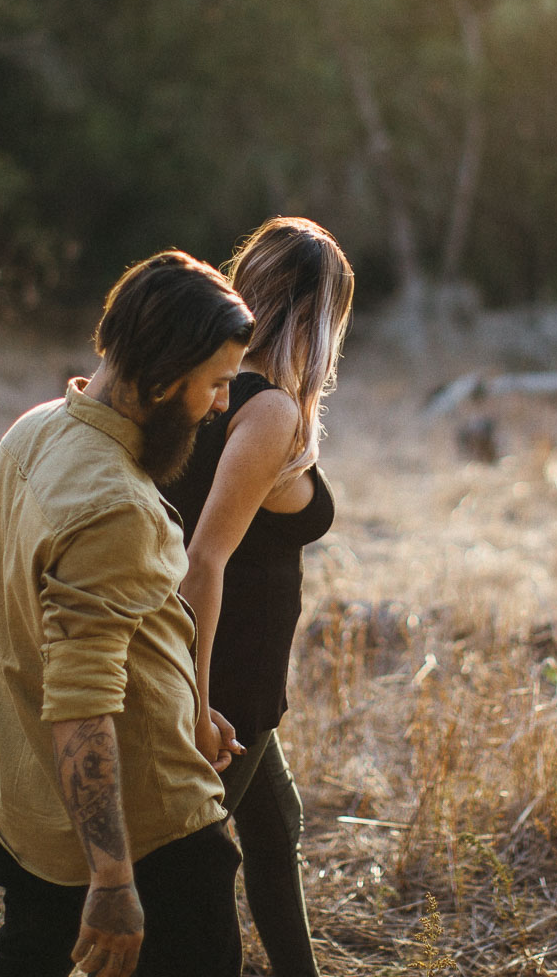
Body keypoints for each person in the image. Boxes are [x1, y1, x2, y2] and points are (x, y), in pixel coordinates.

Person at [0, 250, 253, 977]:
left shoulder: (32, 433)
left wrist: (188, 705)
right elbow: (82, 700)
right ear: (165, 379)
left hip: (30, 810)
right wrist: (112, 878)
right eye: (218, 385)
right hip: (149, 833)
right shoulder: (115, 507)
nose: (223, 406)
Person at [159, 217, 354, 977]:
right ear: (319, 318)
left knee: (277, 827)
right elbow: (202, 560)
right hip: (227, 669)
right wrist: (197, 704)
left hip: (236, 673)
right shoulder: (265, 408)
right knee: (188, 864)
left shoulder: (197, 384)